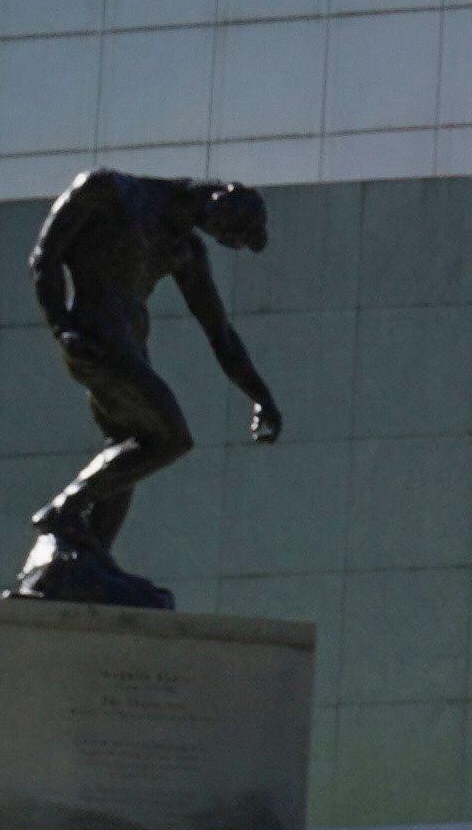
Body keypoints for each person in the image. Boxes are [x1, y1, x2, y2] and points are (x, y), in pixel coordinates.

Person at [16, 170, 282, 606]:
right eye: (224, 228)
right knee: (169, 438)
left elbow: (220, 334)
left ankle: (91, 559)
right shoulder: (108, 191)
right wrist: (61, 325)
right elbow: (44, 256)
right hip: (95, 340)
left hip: (132, 350)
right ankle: (61, 512)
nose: (213, 236)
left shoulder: (184, 249)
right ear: (222, 194)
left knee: (126, 451)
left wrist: (261, 395)